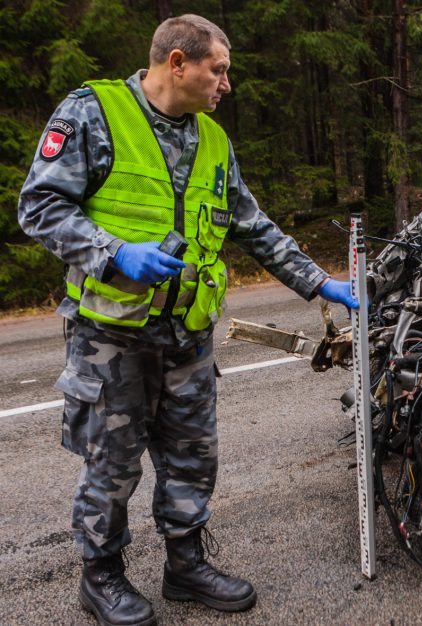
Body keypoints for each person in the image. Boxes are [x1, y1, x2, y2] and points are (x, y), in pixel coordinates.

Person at [17, 14, 358, 626]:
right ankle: (100, 577)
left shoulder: (214, 141)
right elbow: (39, 204)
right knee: (112, 462)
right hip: (111, 334)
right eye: (218, 69)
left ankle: (186, 564)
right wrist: (114, 252)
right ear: (178, 63)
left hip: (189, 334)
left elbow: (251, 225)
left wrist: (319, 281)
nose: (226, 83)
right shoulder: (93, 112)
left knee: (192, 457)